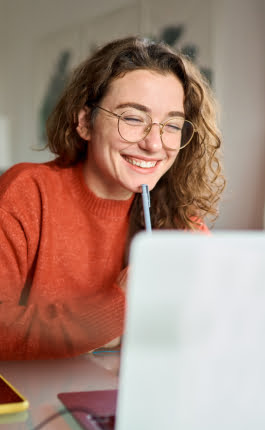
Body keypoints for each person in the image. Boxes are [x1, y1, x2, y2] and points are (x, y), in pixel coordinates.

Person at [0, 36, 225, 360]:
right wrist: (117, 307)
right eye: (133, 118)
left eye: (172, 125)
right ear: (84, 122)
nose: (154, 144)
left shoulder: (179, 222)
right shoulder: (26, 193)